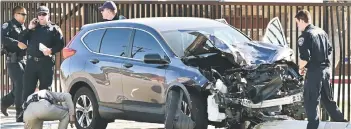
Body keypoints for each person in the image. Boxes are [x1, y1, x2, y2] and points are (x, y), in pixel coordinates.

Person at [295, 9, 347, 129]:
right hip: (325, 71)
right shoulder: (321, 32)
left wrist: (300, 68)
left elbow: (304, 58)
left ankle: (312, 127)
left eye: (297, 22)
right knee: (328, 100)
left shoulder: (305, 36)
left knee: (311, 101)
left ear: (302, 20)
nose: (297, 26)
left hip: (314, 73)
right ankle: (343, 123)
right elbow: (329, 49)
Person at [20, 6, 64, 106]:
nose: (41, 16)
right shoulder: (33, 28)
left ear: (48, 15)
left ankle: (44, 112)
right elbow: (21, 39)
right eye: (39, 14)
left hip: (46, 63)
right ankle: (25, 114)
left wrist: (51, 50)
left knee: (45, 90)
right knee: (27, 89)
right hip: (31, 63)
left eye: (43, 14)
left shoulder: (55, 29)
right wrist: (29, 28)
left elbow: (60, 44)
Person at [1, 5, 27, 122]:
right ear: (16, 14)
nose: (25, 17)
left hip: (23, 60)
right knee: (21, 84)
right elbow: (2, 38)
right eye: (23, 14)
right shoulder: (8, 25)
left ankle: (4, 102)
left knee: (20, 86)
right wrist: (16, 43)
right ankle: (19, 114)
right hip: (13, 60)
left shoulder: (23, 27)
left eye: (25, 14)